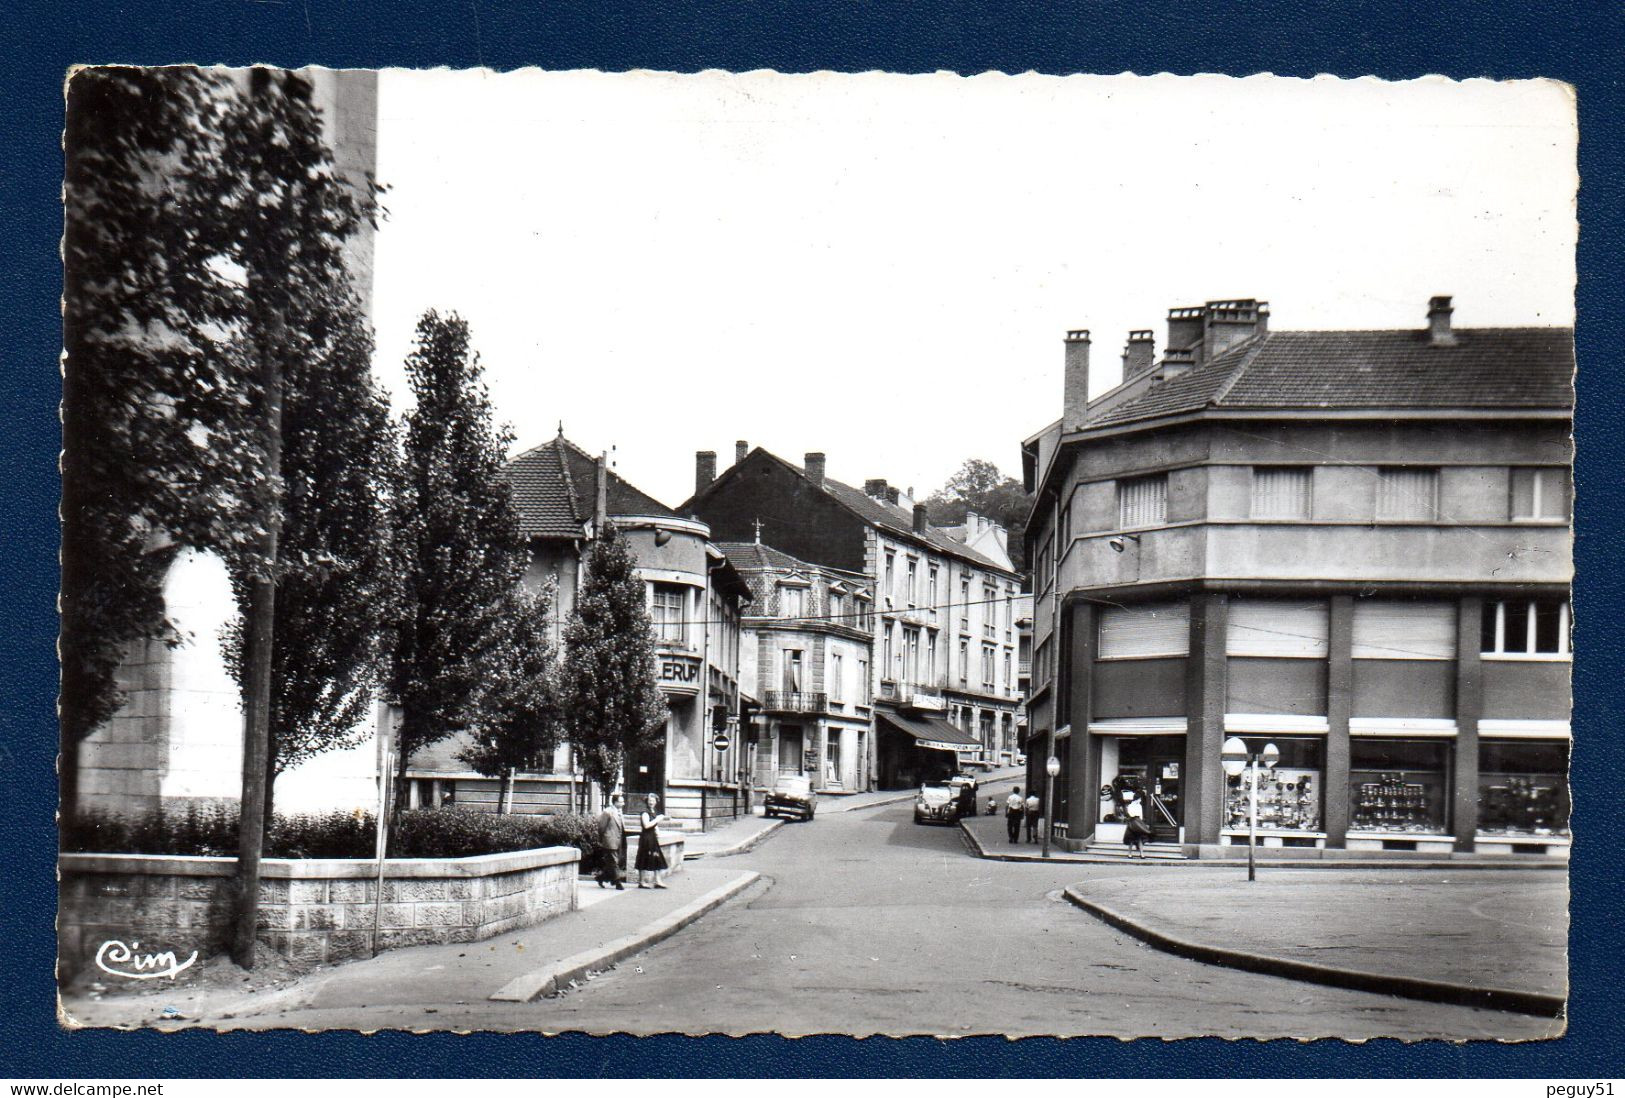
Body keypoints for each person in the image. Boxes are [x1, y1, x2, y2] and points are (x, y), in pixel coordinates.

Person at [635, 793, 671, 889]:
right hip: (646, 838)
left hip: (652, 838)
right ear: (646, 801)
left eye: (653, 801)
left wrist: (657, 830)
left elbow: (654, 825)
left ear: (656, 802)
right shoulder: (645, 812)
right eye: (650, 801)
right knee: (644, 858)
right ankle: (642, 881)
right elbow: (646, 825)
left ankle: (658, 881)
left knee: (656, 857)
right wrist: (658, 819)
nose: (651, 802)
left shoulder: (653, 811)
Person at [594, 792, 626, 890]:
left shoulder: (620, 812)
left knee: (613, 862)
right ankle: (618, 883)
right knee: (614, 861)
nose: (623, 803)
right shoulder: (607, 812)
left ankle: (601, 877)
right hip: (609, 840)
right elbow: (601, 827)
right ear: (615, 802)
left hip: (619, 841)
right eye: (621, 802)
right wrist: (602, 839)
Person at [1123, 791, 1150, 858]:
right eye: (1139, 799)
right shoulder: (1130, 806)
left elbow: (1141, 815)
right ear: (1137, 799)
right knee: (1132, 839)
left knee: (1140, 839)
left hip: (1138, 822)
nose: (1140, 800)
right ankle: (1129, 853)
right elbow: (1131, 815)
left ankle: (1141, 854)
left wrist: (1141, 823)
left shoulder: (1139, 806)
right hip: (1132, 822)